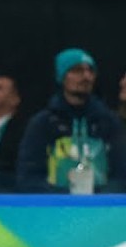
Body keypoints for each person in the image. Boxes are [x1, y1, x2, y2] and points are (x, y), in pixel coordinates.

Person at [16, 48, 125, 193]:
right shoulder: (43, 123)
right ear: (62, 77)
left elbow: (122, 174)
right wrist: (64, 197)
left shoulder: (109, 122)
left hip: (102, 209)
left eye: (90, 71)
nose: (86, 76)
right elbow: (28, 177)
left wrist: (98, 198)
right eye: (77, 70)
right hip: (55, 210)